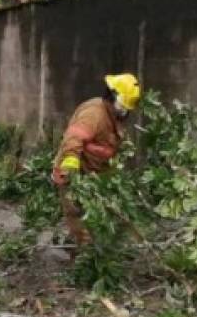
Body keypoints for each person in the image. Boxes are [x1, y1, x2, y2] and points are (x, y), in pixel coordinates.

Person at [52, 73, 142, 245]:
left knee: (109, 213)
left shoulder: (114, 116)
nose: (125, 111)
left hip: (98, 172)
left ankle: (105, 245)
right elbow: (74, 138)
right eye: (124, 107)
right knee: (78, 216)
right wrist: (71, 162)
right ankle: (84, 253)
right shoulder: (94, 115)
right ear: (113, 97)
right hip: (75, 173)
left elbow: (112, 140)